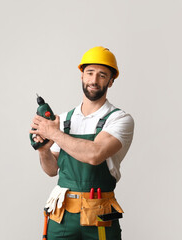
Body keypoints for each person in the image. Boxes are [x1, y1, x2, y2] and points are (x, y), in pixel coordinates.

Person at [30, 46, 134, 240]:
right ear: (82, 76)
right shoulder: (64, 119)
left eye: (102, 75)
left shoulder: (119, 119)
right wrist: (43, 150)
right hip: (61, 213)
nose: (94, 80)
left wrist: (53, 132)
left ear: (111, 81)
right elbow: (52, 170)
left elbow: (95, 154)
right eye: (90, 73)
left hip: (99, 214)